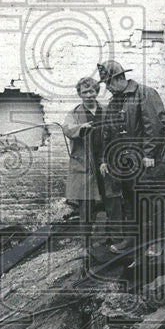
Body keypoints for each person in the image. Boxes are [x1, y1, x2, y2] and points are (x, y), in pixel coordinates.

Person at [97, 60, 165, 253]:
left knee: (150, 202)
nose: (108, 89)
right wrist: (105, 159)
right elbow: (108, 133)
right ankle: (132, 240)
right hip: (126, 164)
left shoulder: (145, 94)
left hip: (147, 162)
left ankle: (155, 243)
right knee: (130, 201)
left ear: (119, 78)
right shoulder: (114, 102)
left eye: (109, 84)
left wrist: (149, 154)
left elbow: (155, 126)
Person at [62, 76, 106, 236]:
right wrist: (81, 128)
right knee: (86, 207)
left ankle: (108, 238)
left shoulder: (105, 111)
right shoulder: (74, 113)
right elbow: (67, 129)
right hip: (84, 165)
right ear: (80, 94)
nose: (89, 95)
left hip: (104, 162)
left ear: (97, 92)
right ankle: (86, 244)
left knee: (110, 202)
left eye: (92, 91)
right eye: (85, 92)